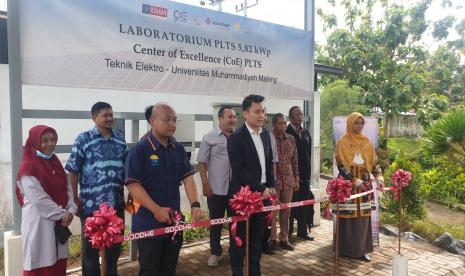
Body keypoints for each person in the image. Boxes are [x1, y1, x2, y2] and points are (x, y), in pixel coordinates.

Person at [125, 103, 203, 276]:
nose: (172, 124)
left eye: (174, 120)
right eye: (167, 120)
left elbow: (188, 177)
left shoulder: (178, 149)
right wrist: (156, 210)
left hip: (174, 222)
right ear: (153, 121)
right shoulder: (140, 150)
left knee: (169, 269)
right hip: (148, 223)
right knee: (150, 270)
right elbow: (133, 185)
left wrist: (195, 204)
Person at [66, 102, 128, 276]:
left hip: (116, 204)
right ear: (94, 118)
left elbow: (128, 168)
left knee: (114, 249)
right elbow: (73, 170)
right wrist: (75, 198)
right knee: (90, 252)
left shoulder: (120, 139)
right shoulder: (83, 139)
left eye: (111, 114)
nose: (110, 118)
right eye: (105, 115)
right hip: (91, 206)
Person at [16, 125, 76, 276]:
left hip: (60, 222)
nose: (50, 143)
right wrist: (63, 215)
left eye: (53, 139)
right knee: (40, 263)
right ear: (35, 142)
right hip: (39, 223)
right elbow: (40, 200)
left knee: (57, 262)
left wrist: (71, 210)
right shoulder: (28, 168)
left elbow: (68, 189)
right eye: (45, 140)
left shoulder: (55, 162)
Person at [227, 94, 276, 276]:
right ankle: (238, 272)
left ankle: (255, 272)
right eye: (257, 112)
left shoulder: (265, 135)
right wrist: (261, 189)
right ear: (245, 114)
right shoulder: (236, 138)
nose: (261, 115)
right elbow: (239, 170)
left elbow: (269, 164)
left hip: (263, 196)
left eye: (263, 111)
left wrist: (272, 186)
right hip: (243, 197)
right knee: (239, 239)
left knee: (256, 238)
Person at [334, 112, 384, 262]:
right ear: (350, 124)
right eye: (356, 123)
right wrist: (356, 181)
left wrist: (379, 178)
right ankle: (343, 249)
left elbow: (374, 164)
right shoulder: (342, 142)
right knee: (346, 217)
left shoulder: (367, 143)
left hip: (365, 186)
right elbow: (341, 166)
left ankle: (361, 250)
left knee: (363, 218)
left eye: (361, 123)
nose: (359, 126)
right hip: (348, 185)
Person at [197, 106, 237, 267]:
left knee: (236, 222)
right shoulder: (209, 137)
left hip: (236, 191)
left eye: (235, 117)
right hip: (216, 189)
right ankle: (215, 252)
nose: (233, 119)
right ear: (220, 119)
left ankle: (235, 251)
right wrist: (205, 184)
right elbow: (201, 163)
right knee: (216, 223)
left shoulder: (240, 137)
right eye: (230, 117)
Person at [268, 113, 299, 251]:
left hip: (288, 180)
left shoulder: (291, 139)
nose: (283, 126)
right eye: (280, 123)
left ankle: (284, 238)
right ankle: (272, 238)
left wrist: (296, 178)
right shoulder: (268, 138)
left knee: (286, 211)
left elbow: (295, 161)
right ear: (274, 125)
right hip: (274, 182)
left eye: (284, 123)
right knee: (272, 211)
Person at [286, 106, 315, 241]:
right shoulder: (287, 132)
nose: (300, 117)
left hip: (305, 175)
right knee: (291, 206)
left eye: (301, 114)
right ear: (291, 117)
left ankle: (302, 231)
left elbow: (308, 153)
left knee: (304, 204)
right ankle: (288, 233)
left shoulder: (305, 132)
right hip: (292, 176)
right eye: (297, 115)